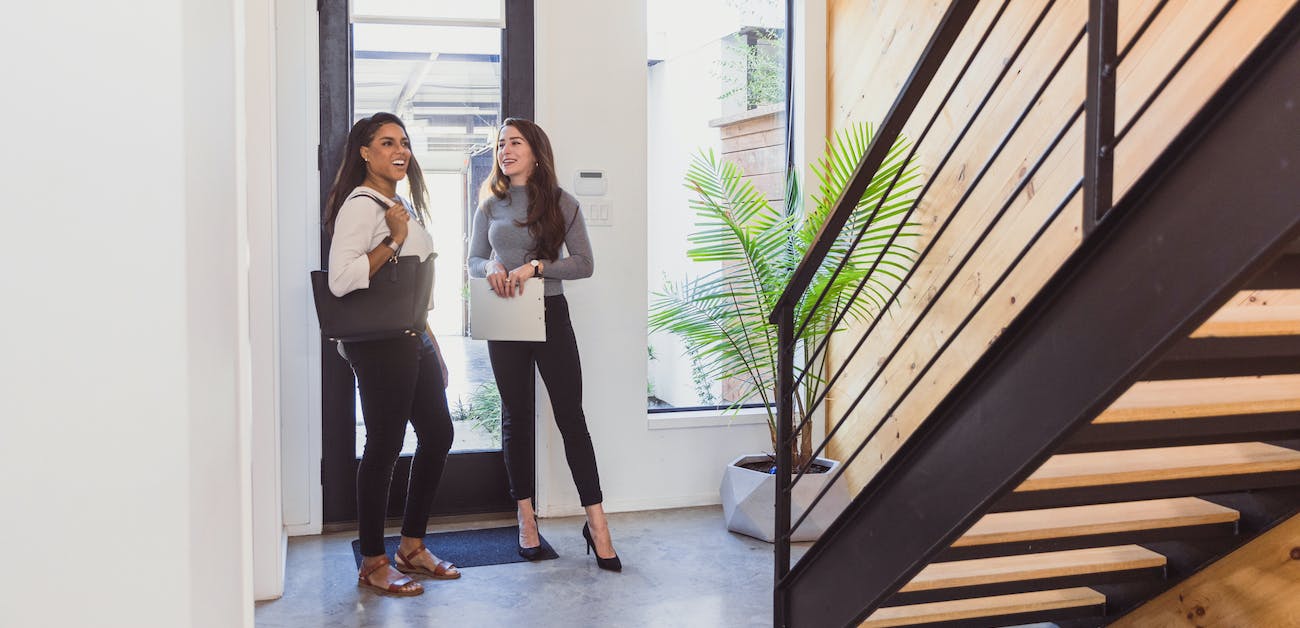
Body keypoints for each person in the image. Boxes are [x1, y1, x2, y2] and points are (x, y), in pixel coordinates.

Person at [468, 118, 622, 571]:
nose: (505, 150)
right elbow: (473, 258)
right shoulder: (489, 205)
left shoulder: (561, 203)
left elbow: (584, 264)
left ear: (536, 151)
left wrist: (536, 267)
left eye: (515, 142)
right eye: (500, 144)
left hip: (551, 316)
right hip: (505, 318)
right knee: (516, 418)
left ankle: (597, 524)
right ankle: (526, 520)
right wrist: (490, 267)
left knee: (571, 418)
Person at [325, 112, 461, 596]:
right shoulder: (361, 207)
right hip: (380, 345)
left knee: (439, 433)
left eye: (403, 142)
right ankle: (373, 560)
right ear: (365, 152)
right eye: (386, 143)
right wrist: (394, 239)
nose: (399, 150)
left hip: (412, 336)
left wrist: (434, 345)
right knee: (383, 445)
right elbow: (341, 280)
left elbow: (412, 289)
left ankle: (411, 546)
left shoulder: (395, 201)